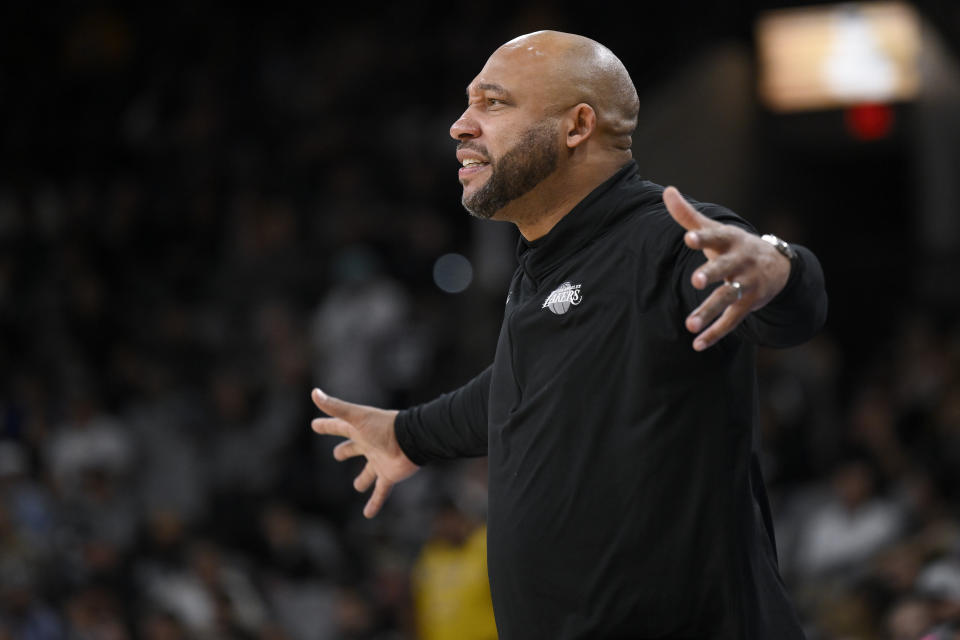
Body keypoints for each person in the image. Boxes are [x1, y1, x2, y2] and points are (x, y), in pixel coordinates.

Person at [310, 30, 828, 639]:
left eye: (492, 103)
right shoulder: (546, 263)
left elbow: (784, 303)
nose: (459, 125)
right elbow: (523, 384)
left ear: (577, 125)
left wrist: (777, 269)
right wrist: (408, 434)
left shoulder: (665, 237)